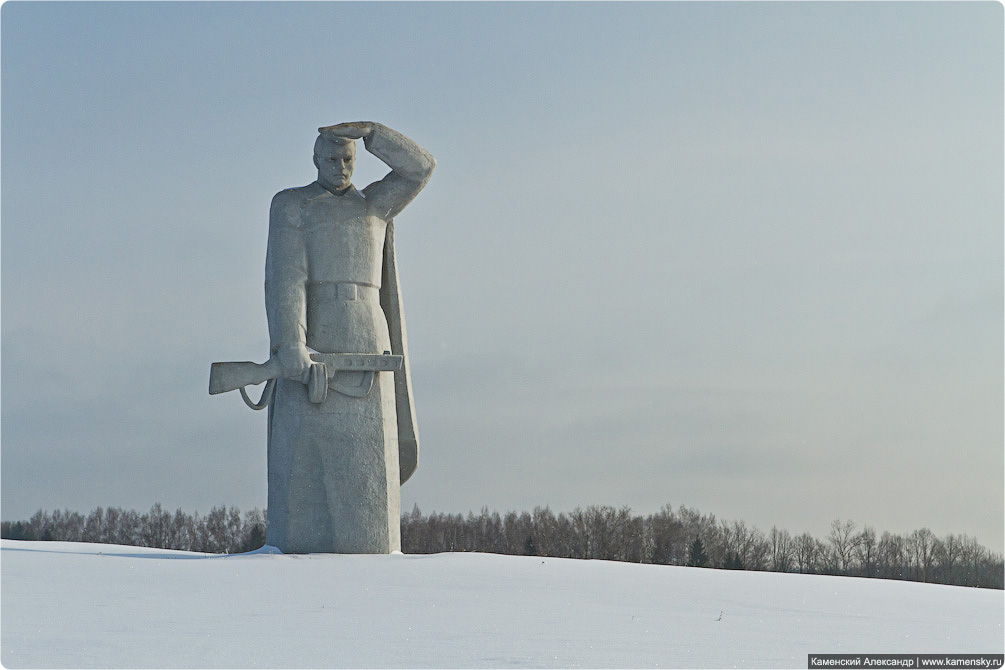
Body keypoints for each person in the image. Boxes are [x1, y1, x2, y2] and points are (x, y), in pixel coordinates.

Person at [264, 122, 434, 553]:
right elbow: (286, 278)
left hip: (369, 339)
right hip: (316, 340)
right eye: (332, 160)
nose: (340, 168)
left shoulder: (375, 205)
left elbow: (420, 169)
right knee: (306, 472)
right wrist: (291, 343)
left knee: (369, 472)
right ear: (315, 160)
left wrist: (374, 133)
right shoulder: (293, 205)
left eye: (348, 160)